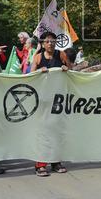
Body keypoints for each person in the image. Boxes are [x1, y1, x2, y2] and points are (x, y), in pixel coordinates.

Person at [31, 31, 70, 176]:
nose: (50, 44)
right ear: (42, 43)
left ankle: (55, 162)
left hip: (57, 101)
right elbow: (29, 77)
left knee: (56, 131)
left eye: (53, 41)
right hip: (42, 101)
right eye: (47, 41)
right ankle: (40, 164)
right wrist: (38, 73)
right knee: (42, 133)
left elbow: (71, 72)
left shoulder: (61, 55)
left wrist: (66, 69)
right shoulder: (38, 57)